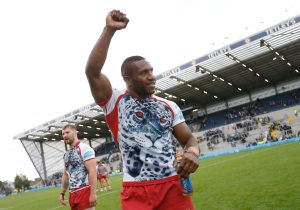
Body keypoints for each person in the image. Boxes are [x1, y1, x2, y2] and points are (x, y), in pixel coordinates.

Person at [85, 10, 200, 210]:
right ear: (127, 79)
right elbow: (92, 72)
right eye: (144, 73)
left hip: (173, 186)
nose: (151, 76)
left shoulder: (168, 106)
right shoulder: (114, 102)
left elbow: (189, 140)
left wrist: (192, 153)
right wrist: (109, 30)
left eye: (151, 71)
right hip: (135, 190)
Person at [59, 124, 98, 210]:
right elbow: (66, 175)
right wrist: (62, 193)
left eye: (67, 132)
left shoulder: (85, 148)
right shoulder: (66, 154)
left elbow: (92, 171)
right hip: (72, 194)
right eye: (63, 134)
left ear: (75, 132)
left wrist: (93, 193)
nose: (65, 135)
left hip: (85, 191)